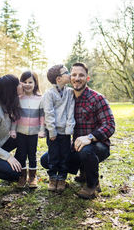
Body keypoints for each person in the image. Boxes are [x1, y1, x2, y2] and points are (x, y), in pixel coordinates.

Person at [41, 62, 115, 199]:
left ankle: (92, 184)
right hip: (75, 146)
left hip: (97, 145)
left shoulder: (97, 98)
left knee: (86, 151)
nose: (77, 78)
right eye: (73, 75)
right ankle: (83, 171)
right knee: (46, 159)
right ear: (70, 78)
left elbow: (110, 125)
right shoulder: (67, 97)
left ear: (87, 78)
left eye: (81, 75)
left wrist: (90, 137)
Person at [42, 64, 75, 192]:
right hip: (53, 131)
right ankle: (52, 177)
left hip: (65, 131)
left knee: (65, 155)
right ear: (58, 79)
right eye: (66, 72)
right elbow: (48, 113)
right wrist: (52, 131)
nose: (70, 74)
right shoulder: (49, 94)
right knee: (53, 154)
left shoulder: (70, 92)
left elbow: (70, 111)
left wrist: (69, 130)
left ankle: (62, 178)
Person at [10, 71, 45, 188]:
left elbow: (42, 116)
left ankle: (32, 177)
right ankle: (22, 176)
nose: (27, 84)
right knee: (21, 154)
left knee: (32, 154)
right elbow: (15, 117)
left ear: (35, 83)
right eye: (24, 82)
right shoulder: (19, 98)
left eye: (30, 82)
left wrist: (41, 129)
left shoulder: (40, 98)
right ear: (21, 83)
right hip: (20, 131)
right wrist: (13, 130)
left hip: (34, 132)